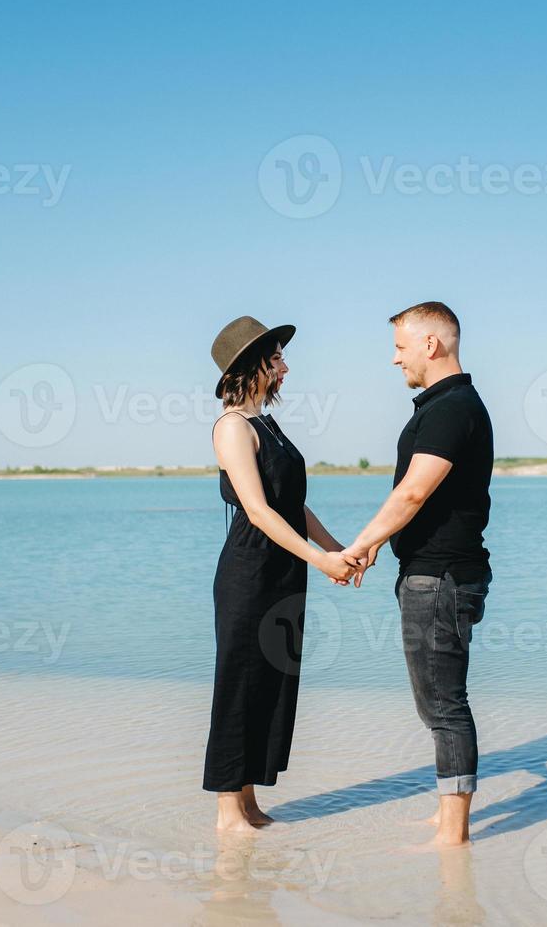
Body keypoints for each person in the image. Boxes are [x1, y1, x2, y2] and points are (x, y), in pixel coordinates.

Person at [343, 301, 493, 847]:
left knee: (446, 705)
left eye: (401, 346)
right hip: (432, 572)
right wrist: (384, 542)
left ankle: (454, 834)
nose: (394, 358)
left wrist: (360, 546)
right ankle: (446, 814)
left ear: (432, 345)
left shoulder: (453, 408)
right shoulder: (440, 405)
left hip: (443, 577)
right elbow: (410, 495)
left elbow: (413, 490)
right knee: (433, 701)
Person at [204, 316, 359, 833]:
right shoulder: (233, 427)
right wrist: (321, 560)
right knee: (239, 683)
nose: (286, 368)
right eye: (278, 359)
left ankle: (248, 801)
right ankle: (229, 811)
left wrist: (340, 549)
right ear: (255, 366)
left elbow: (293, 506)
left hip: (285, 571)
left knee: (270, 683)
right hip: (250, 571)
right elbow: (259, 511)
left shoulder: (268, 424)